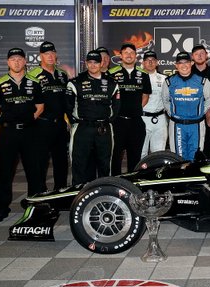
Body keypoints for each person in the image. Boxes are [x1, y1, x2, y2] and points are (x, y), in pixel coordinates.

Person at [0, 48, 44, 221]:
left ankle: (34, 205)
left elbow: (40, 106)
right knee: (5, 171)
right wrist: (7, 123)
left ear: (25, 61)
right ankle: (3, 207)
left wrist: (28, 120)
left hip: (30, 132)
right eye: (13, 59)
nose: (17, 62)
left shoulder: (35, 82)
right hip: (8, 133)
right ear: (8, 62)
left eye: (20, 59)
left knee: (33, 170)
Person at [65, 50, 120, 186]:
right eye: (90, 62)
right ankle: (78, 198)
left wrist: (107, 122)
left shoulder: (112, 83)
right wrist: (76, 122)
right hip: (82, 129)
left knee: (104, 165)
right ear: (86, 64)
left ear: (101, 63)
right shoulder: (75, 82)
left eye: (96, 62)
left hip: (104, 129)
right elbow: (68, 106)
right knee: (79, 166)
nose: (93, 65)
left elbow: (116, 106)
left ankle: (105, 195)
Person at [28, 41, 70, 189]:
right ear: (40, 56)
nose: (50, 56)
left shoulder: (62, 74)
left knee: (62, 162)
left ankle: (60, 193)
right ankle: (41, 196)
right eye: (46, 54)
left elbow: (67, 100)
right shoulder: (32, 75)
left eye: (53, 53)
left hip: (59, 124)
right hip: (41, 125)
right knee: (40, 162)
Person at [108, 43, 152, 175]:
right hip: (117, 122)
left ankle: (133, 184)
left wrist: (136, 108)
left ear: (136, 56)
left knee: (135, 157)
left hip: (136, 121)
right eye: (125, 52)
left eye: (131, 53)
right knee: (115, 157)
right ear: (120, 55)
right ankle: (115, 183)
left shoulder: (143, 74)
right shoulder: (111, 73)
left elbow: (145, 95)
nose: (129, 55)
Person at [163, 51, 210, 160]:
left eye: (186, 62)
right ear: (176, 65)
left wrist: (200, 112)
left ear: (191, 63)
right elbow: (165, 100)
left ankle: (193, 176)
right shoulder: (169, 82)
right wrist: (173, 114)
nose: (184, 65)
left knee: (195, 156)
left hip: (197, 125)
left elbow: (209, 99)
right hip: (177, 125)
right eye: (180, 63)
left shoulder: (203, 81)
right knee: (178, 157)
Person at [140, 50, 167, 157]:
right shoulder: (137, 78)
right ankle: (141, 174)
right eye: (147, 60)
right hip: (142, 118)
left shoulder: (164, 79)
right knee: (141, 152)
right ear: (143, 63)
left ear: (157, 62)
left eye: (153, 60)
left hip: (160, 119)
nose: (150, 62)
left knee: (159, 153)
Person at [190, 43, 210, 156]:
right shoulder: (187, 73)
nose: (199, 56)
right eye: (196, 54)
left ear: (207, 55)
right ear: (192, 57)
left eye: (202, 53)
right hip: (192, 115)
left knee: (208, 145)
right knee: (193, 146)